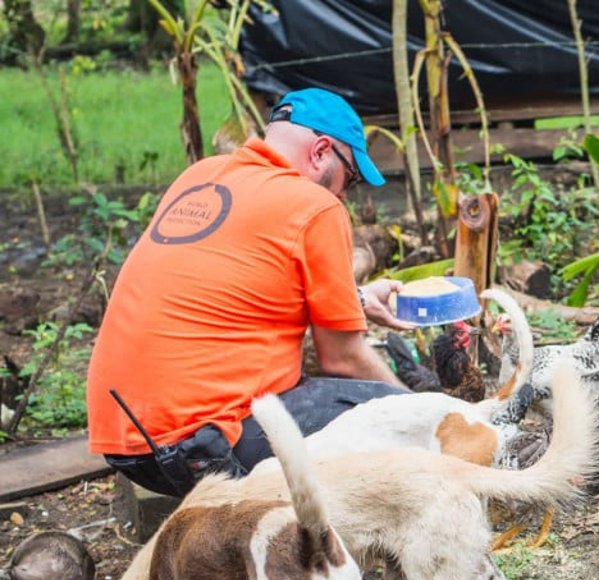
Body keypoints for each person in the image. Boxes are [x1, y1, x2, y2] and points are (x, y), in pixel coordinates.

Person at [87, 88, 417, 497]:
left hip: (127, 445)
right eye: (348, 178)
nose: (343, 195)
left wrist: (359, 299)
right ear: (320, 152)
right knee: (395, 415)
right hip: (200, 446)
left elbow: (227, 282)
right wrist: (427, 413)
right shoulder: (316, 205)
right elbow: (342, 359)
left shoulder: (200, 175)